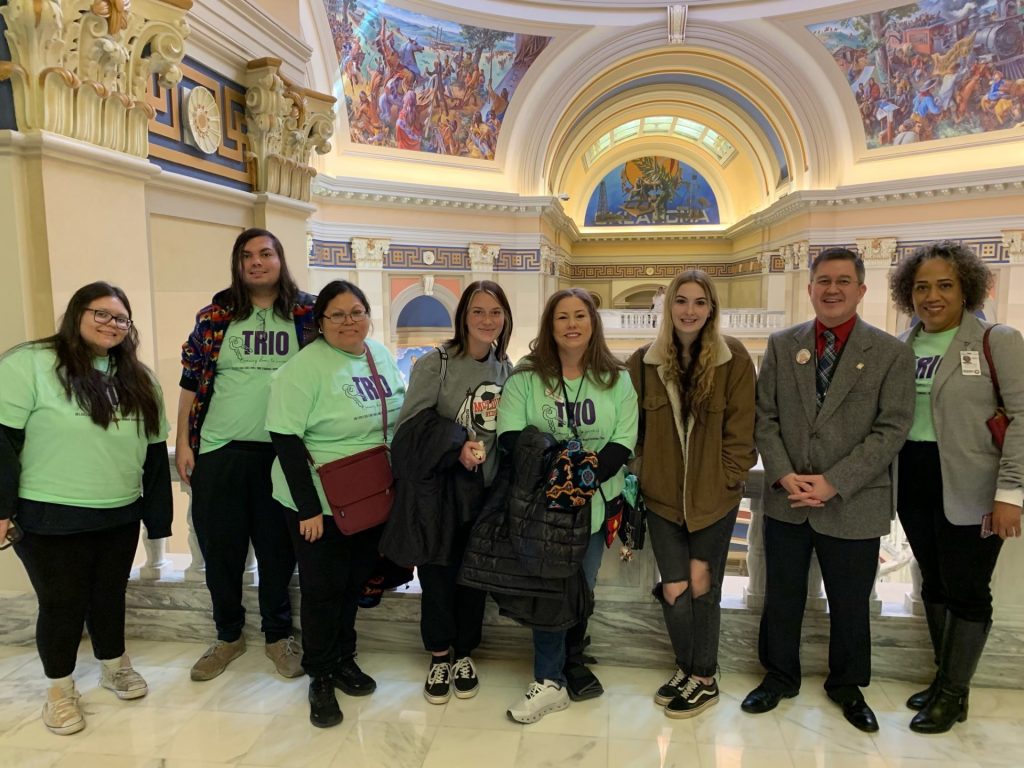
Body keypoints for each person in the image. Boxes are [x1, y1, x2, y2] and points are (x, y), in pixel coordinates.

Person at [743, 248, 915, 732]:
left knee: (850, 602)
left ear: (862, 290)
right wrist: (780, 472)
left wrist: (834, 481)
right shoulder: (781, 345)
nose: (832, 289)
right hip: (788, 500)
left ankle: (847, 685)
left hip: (853, 502)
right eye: (823, 280)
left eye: (843, 280)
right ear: (811, 287)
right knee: (782, 597)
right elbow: (765, 417)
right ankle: (778, 676)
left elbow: (892, 429)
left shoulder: (891, 353)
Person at [0, 282, 172, 735]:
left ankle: (114, 665)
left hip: (117, 511)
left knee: (109, 594)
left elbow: (154, 452)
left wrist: (157, 518)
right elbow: (2, 440)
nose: (111, 324)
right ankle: (59, 691)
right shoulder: (31, 363)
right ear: (77, 313)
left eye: (121, 319)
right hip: (48, 512)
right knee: (61, 603)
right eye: (102, 314)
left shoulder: (139, 377)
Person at [890, 242, 1024, 733]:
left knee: (968, 590)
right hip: (915, 478)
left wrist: (1011, 495)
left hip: (974, 485)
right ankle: (945, 677)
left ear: (965, 287)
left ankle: (953, 694)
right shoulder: (903, 345)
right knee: (935, 583)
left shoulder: (997, 339)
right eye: (922, 286)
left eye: (944, 284)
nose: (932, 295)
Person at [177, 228, 316, 682]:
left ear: (280, 259)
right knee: (222, 552)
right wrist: (183, 442)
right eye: (247, 255)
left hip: (283, 455)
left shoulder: (307, 314)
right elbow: (191, 381)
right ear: (238, 264)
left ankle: (278, 636)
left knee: (278, 553)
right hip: (220, 450)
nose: (256, 262)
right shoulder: (216, 315)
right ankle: (228, 635)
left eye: (266, 253)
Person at [266, 280, 406, 728]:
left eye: (357, 311)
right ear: (320, 322)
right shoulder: (303, 369)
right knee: (323, 590)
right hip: (318, 501)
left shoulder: (378, 354)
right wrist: (308, 508)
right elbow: (285, 439)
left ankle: (345, 658)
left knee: (353, 584)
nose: (349, 321)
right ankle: (320, 674)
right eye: (338, 315)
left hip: (366, 494)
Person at [498, 288, 638, 724]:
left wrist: (582, 480)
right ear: (550, 325)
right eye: (562, 317)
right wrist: (561, 475)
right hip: (545, 508)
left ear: (593, 323)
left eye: (580, 315)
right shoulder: (525, 377)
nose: (572, 324)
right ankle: (549, 678)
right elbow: (510, 439)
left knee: (582, 586)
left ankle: (570, 661)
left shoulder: (617, 378)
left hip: (595, 506)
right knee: (551, 589)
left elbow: (623, 441)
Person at [627, 270, 756, 718]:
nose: (689, 310)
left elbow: (742, 431)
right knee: (675, 588)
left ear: (711, 309)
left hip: (713, 503)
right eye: (681, 301)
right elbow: (633, 432)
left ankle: (704, 677)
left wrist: (728, 477)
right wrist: (644, 471)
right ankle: (687, 667)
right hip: (662, 502)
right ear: (669, 308)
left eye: (699, 302)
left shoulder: (733, 359)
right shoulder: (643, 362)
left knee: (703, 588)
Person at [387, 281, 513, 704]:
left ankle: (465, 653)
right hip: (440, 495)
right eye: (478, 311)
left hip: (485, 494)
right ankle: (440, 655)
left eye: (494, 312)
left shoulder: (504, 368)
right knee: (438, 575)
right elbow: (408, 432)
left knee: (473, 577)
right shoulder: (434, 364)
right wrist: (455, 447)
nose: (486, 320)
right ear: (463, 316)